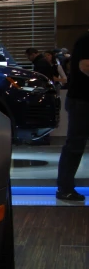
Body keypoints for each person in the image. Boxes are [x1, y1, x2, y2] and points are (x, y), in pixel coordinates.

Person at [56, 31, 89, 202]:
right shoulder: (85, 40)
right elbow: (85, 66)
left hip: (81, 100)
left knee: (75, 145)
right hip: (82, 101)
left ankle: (65, 187)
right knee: (75, 145)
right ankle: (65, 188)